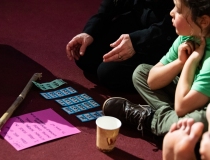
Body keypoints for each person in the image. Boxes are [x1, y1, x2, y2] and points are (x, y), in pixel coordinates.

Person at [102, 0, 210, 137]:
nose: (171, 12)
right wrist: (180, 62)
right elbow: (152, 81)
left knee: (197, 121)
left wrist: (190, 62)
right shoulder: (187, 38)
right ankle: (170, 123)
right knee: (141, 72)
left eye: (178, 10)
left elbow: (181, 108)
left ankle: (149, 119)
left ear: (204, 21)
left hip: (203, 109)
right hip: (190, 99)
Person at [66, 0, 177, 92]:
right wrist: (90, 31)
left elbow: (175, 24)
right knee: (85, 55)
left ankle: (166, 79)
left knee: (108, 74)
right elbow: (112, 3)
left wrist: (137, 41)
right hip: (138, 19)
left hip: (166, 36)